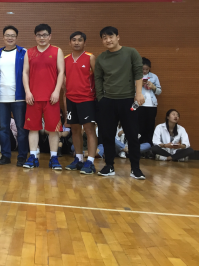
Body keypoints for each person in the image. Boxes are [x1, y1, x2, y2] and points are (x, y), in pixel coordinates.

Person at [95, 26, 146, 180]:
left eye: (110, 36)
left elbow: (138, 73)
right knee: (107, 135)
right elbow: (98, 78)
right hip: (108, 101)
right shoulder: (101, 58)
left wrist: (138, 94)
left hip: (128, 100)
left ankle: (135, 168)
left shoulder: (131, 52)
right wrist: (101, 98)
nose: (108, 40)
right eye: (104, 38)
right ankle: (109, 165)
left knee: (132, 135)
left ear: (118, 37)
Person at [22, 24, 64, 170]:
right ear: (35, 37)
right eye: (39, 35)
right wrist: (27, 91)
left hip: (51, 98)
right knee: (33, 128)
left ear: (50, 36)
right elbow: (25, 73)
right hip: (33, 98)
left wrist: (56, 91)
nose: (42, 38)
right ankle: (33, 156)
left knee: (53, 129)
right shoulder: (29, 52)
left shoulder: (57, 51)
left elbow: (61, 72)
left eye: (45, 35)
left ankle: (54, 158)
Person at [0, 25, 28, 166]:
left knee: (21, 128)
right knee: (3, 128)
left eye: (13, 35)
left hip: (19, 96)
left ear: (16, 37)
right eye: (7, 35)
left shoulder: (23, 52)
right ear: (3, 37)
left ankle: (22, 156)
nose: (10, 38)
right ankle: (5, 155)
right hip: (2, 97)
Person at [63, 31, 98, 175]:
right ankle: (78, 158)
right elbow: (64, 84)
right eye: (74, 40)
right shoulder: (65, 59)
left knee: (89, 130)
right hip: (71, 99)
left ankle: (90, 161)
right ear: (70, 42)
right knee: (75, 130)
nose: (76, 42)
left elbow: (98, 79)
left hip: (87, 99)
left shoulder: (90, 57)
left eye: (80, 40)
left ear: (85, 42)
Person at [138, 57, 162, 147]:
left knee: (150, 126)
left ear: (149, 68)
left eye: (147, 69)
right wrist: (139, 84)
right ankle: (139, 147)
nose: (145, 71)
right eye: (143, 69)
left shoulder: (154, 77)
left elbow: (159, 91)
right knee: (140, 126)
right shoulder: (136, 76)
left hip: (152, 105)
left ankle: (149, 147)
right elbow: (130, 90)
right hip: (139, 104)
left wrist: (153, 87)